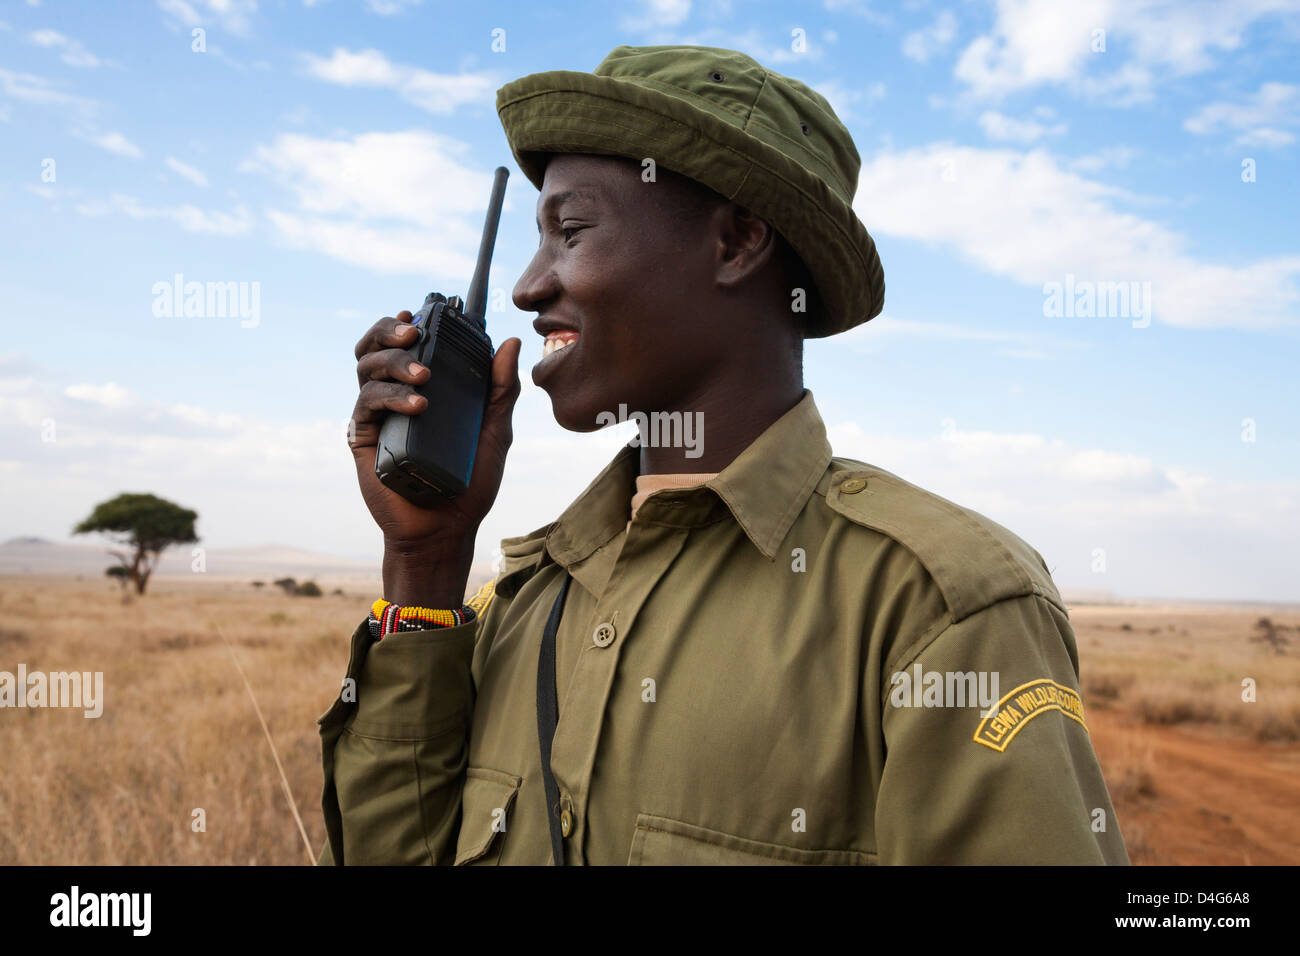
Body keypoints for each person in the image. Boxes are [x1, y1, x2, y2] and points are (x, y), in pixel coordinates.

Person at [319, 44, 1130, 865]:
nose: (529, 286)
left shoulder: (933, 608)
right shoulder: (523, 604)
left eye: (570, 231)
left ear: (739, 242)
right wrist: (423, 563)